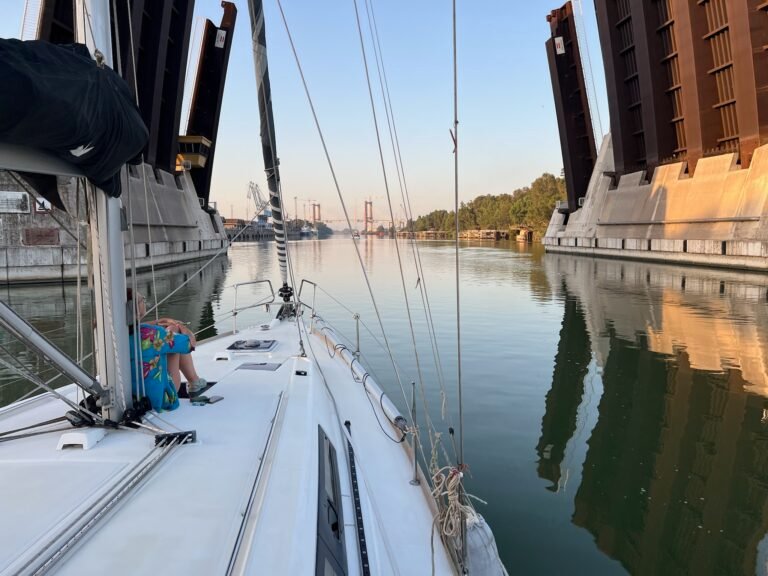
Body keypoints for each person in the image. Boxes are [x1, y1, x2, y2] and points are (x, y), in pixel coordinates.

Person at [127, 289, 207, 411]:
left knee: (169, 338)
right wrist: (181, 327)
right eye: (141, 300)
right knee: (175, 334)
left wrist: (157, 321)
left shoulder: (113, 336)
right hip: (160, 399)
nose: (144, 301)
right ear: (135, 309)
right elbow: (191, 344)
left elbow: (134, 327)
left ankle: (195, 381)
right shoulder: (152, 334)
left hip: (128, 400)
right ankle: (194, 381)